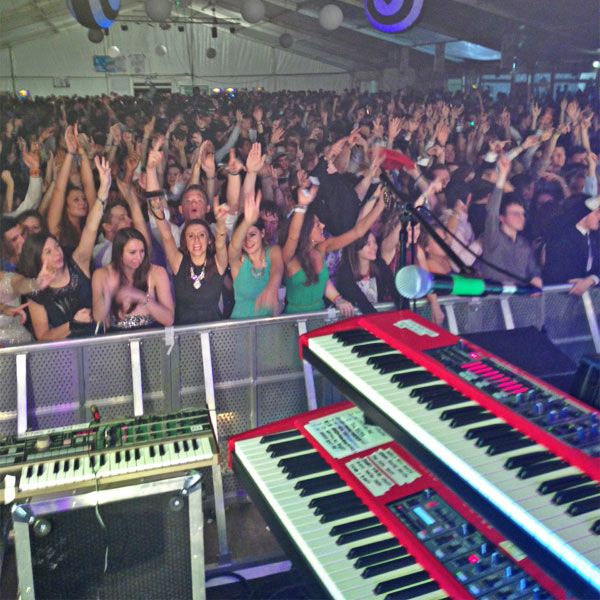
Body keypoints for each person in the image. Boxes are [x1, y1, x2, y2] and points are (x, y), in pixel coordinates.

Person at [16, 156, 109, 341]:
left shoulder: (77, 262)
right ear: (36, 258)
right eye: (48, 252)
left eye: (56, 246)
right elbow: (43, 336)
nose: (57, 252)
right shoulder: (36, 291)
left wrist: (103, 191)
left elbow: (90, 228)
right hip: (66, 353)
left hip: (100, 343)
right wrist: (72, 325)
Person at [145, 141, 229, 325]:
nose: (196, 240)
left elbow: (221, 242)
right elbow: (164, 230)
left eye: (201, 235)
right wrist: (151, 170)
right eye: (190, 236)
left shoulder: (218, 257)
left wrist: (222, 223)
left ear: (209, 240)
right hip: (183, 330)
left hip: (215, 330)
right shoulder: (178, 258)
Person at [282, 183, 385, 315]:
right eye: (317, 224)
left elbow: (357, 232)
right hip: (294, 319)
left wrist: (380, 205)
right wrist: (301, 206)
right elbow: (293, 236)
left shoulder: (321, 249)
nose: (323, 226)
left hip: (319, 315)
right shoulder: (290, 257)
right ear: (306, 230)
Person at [479, 155, 542, 288]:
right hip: (494, 298)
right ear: (502, 218)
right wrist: (502, 176)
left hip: (519, 299)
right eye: (515, 214)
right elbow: (492, 212)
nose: (521, 217)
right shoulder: (493, 238)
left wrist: (536, 278)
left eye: (522, 214)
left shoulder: (524, 244)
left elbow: (534, 269)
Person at [92, 228, 174, 330]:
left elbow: (169, 319)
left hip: (150, 334)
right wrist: (108, 294)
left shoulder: (157, 272)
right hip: (115, 336)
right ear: (119, 253)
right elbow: (98, 318)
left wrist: (141, 297)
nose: (139, 257)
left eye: (142, 251)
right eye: (132, 252)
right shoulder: (101, 274)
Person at [229, 190, 284, 318]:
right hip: (241, 324)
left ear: (262, 233)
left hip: (269, 325)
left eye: (252, 234)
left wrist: (271, 288)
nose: (247, 240)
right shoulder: (237, 260)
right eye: (243, 236)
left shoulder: (273, 251)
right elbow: (234, 246)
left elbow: (277, 269)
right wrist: (247, 222)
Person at [543, 194, 600, 295]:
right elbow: (558, 274)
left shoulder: (595, 237)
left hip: (590, 299)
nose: (599, 217)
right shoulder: (561, 237)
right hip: (560, 298)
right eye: (596, 213)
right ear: (582, 214)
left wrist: (592, 279)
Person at [336, 231, 400, 314]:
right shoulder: (345, 271)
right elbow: (360, 300)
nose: (374, 247)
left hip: (373, 315)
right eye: (368, 244)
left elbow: (394, 288)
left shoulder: (379, 264)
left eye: (374, 242)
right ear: (357, 248)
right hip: (353, 318)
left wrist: (405, 311)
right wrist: (376, 318)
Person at [0, 261, 53, 346]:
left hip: (20, 345)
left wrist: (36, 284)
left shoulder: (9, 279)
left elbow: (22, 284)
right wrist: (5, 309)